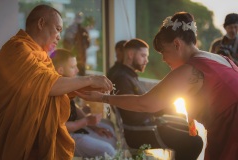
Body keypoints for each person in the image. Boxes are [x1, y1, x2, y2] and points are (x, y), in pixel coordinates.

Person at [77, 12, 238, 159]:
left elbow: (144, 103)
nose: (163, 59)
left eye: (164, 52)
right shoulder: (221, 59)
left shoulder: (190, 70)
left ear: (177, 44)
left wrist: (103, 98)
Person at [0, 5, 113, 160]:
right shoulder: (18, 48)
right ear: (41, 23)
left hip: (35, 140)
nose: (59, 36)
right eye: (58, 29)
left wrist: (89, 87)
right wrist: (90, 79)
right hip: (15, 134)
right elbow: (48, 85)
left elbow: (52, 85)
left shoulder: (43, 57)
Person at [107, 38, 203, 160]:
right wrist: (158, 107)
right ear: (130, 54)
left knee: (188, 128)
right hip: (140, 132)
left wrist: (161, 107)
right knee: (195, 143)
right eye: (143, 56)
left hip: (149, 125)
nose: (146, 60)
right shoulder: (122, 79)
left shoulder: (128, 76)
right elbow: (132, 115)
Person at [51, 48, 116, 158]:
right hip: (63, 137)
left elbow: (74, 108)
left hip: (77, 129)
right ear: (60, 70)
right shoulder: (55, 90)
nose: (77, 70)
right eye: (72, 67)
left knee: (109, 133)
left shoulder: (69, 86)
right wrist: (86, 121)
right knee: (108, 150)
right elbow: (61, 127)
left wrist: (94, 127)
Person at [63, 12, 90, 76]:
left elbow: (87, 44)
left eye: (80, 18)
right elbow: (66, 43)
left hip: (79, 60)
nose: (79, 20)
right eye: (78, 18)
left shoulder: (83, 31)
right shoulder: (72, 30)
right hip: (72, 59)